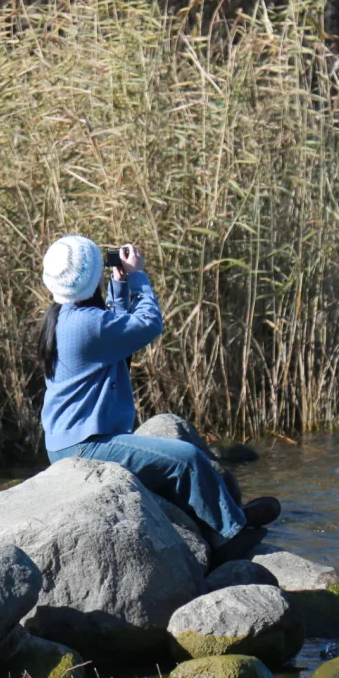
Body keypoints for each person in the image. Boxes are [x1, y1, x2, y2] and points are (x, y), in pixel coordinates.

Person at [37, 234, 278, 563]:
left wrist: (120, 288)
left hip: (75, 439)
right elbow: (147, 325)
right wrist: (138, 278)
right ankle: (229, 536)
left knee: (178, 463)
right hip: (85, 444)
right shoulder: (86, 324)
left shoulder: (65, 317)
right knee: (187, 459)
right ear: (92, 277)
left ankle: (228, 517)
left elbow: (117, 337)